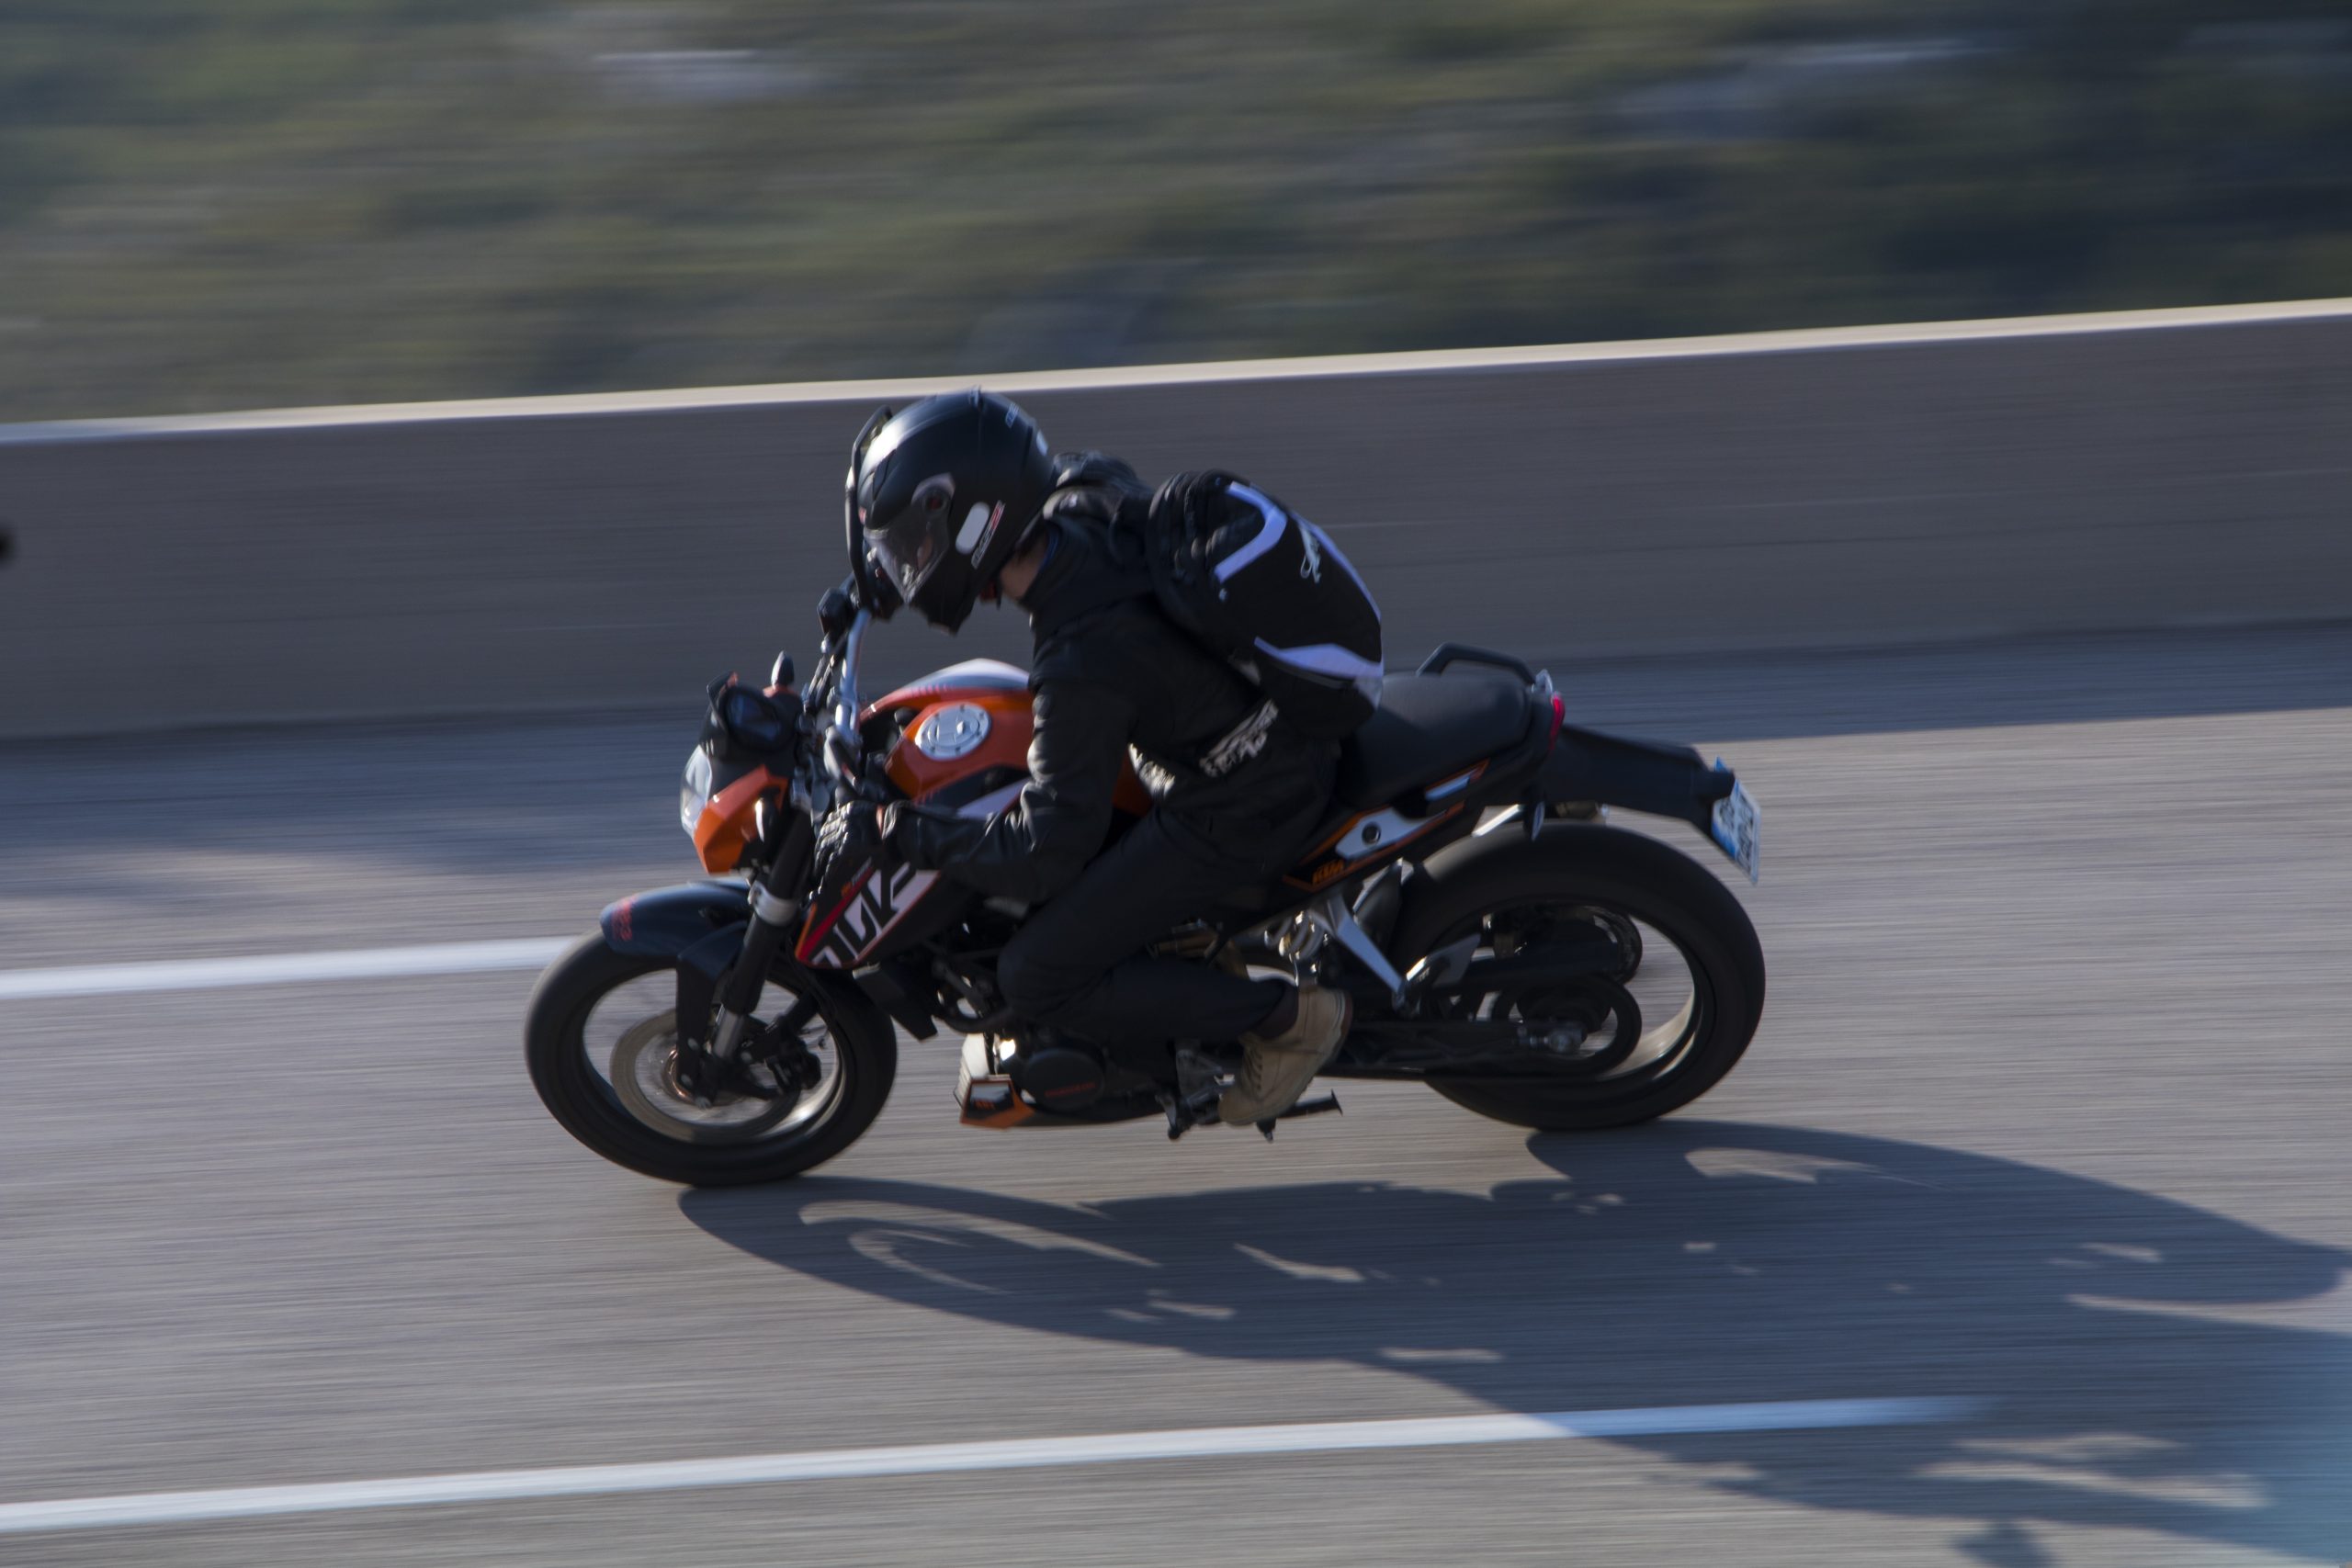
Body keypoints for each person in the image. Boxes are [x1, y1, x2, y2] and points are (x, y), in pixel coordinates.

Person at [840, 389, 1349, 1125]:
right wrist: (869, 590)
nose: (910, 563)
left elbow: (1045, 847)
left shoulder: (1081, 654)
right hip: (1240, 737)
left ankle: (1287, 1018)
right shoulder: (1082, 493)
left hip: (1246, 796)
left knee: (1037, 971)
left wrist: (898, 830)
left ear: (980, 524)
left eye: (915, 544)